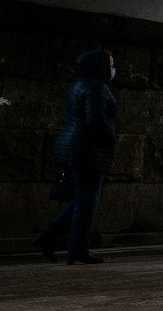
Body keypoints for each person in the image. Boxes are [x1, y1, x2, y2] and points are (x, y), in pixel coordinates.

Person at [35, 49, 118, 264]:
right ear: (100, 66)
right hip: (87, 149)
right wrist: (111, 138)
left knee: (82, 199)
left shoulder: (79, 85)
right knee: (88, 200)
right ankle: (75, 248)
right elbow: (96, 121)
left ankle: (50, 237)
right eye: (110, 64)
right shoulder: (97, 88)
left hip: (73, 145)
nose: (112, 68)